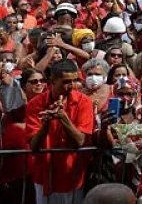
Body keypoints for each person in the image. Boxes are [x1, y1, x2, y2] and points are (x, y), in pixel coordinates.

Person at [25, 58, 95, 203]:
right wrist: (46, 124)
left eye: (75, 80)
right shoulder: (35, 104)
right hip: (44, 174)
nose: (72, 86)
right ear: (53, 80)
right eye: (66, 82)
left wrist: (63, 118)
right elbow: (34, 146)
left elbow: (81, 140)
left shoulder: (84, 102)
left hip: (72, 174)